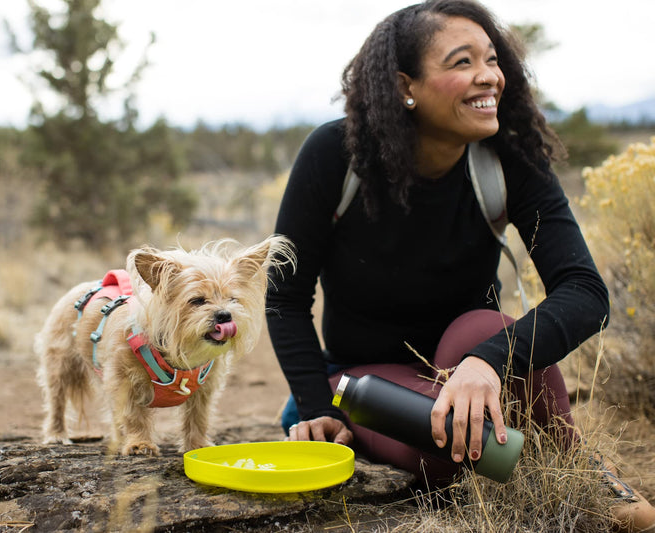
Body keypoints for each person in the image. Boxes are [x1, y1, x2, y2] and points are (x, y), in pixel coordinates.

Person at [265, 0, 655, 530]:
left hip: (470, 359)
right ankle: (521, 456)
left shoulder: (509, 159)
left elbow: (585, 290)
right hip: (367, 376)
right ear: (407, 85)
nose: (488, 77)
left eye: (492, 60)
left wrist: (488, 360)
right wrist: (316, 404)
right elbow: (285, 296)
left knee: (483, 326)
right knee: (443, 449)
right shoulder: (335, 155)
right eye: (461, 63)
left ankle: (575, 464)